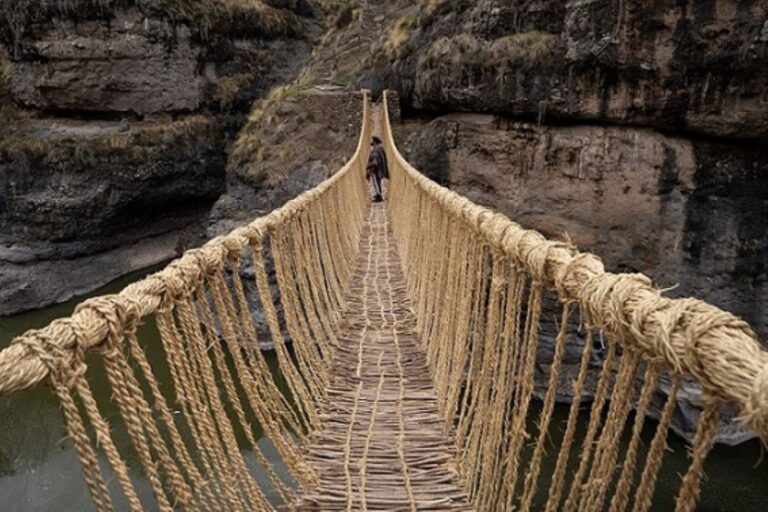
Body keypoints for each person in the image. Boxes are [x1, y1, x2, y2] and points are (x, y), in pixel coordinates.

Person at [366, 136, 389, 202]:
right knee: (378, 182)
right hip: (381, 169)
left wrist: (370, 168)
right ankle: (378, 195)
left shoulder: (375, 151)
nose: (372, 146)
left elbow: (375, 162)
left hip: (376, 170)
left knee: (376, 182)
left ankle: (378, 195)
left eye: (373, 144)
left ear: (375, 143)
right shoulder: (381, 149)